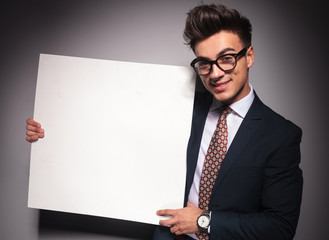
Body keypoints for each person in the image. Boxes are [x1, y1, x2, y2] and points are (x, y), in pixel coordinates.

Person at [26, 4, 303, 240]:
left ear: (249, 56)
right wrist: (51, 131)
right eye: (205, 63)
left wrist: (204, 221)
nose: (216, 73)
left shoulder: (280, 135)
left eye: (227, 59)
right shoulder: (179, 107)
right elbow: (112, 128)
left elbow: (280, 227)